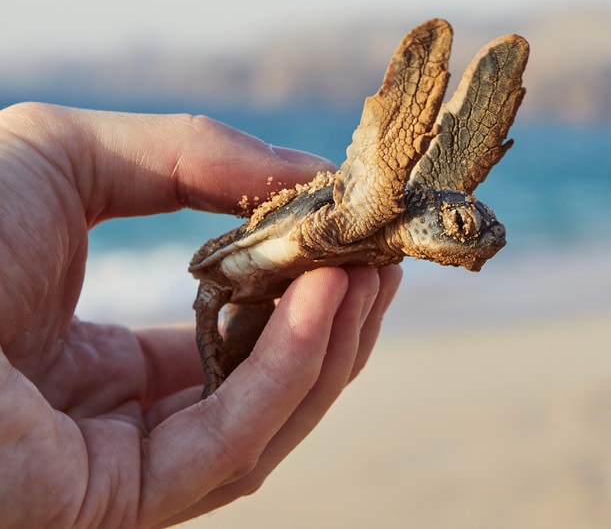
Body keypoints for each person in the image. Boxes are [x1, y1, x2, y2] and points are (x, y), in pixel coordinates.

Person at [0, 102, 402, 528]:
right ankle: (215, 376)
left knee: (296, 329)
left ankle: (219, 372)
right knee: (232, 338)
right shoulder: (349, 211)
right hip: (240, 258)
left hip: (280, 272)